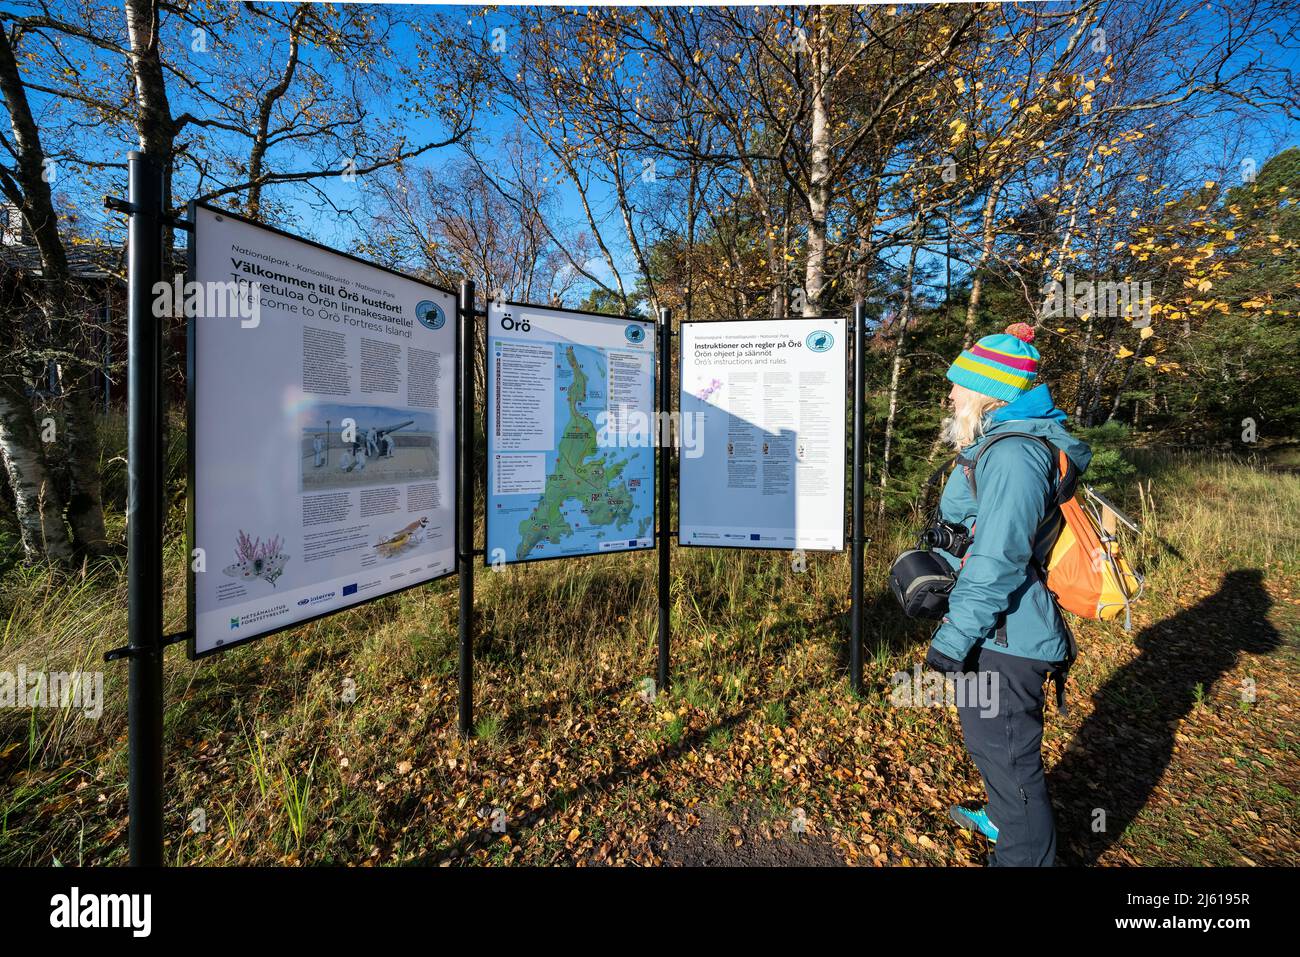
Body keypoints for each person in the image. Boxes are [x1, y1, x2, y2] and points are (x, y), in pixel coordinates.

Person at [925, 322, 1092, 867]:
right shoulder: (1004, 441)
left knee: (1008, 757)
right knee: (994, 747)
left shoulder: (1016, 454)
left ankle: (1022, 849)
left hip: (1007, 634)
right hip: (999, 625)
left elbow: (1000, 556)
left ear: (987, 390)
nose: (950, 393)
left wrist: (954, 637)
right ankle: (1002, 818)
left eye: (958, 383)